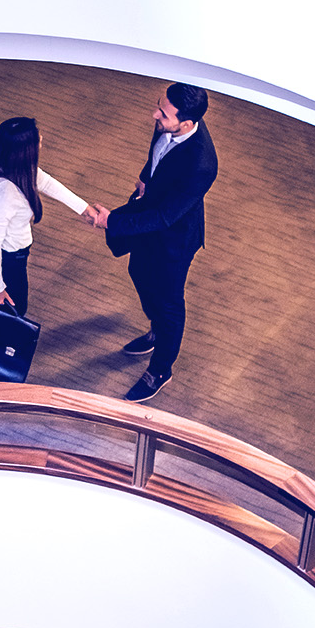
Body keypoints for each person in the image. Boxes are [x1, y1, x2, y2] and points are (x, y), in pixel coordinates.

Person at [92, 83, 218, 402]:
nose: (154, 115)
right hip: (149, 221)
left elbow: (165, 217)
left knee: (169, 302)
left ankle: (161, 368)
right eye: (157, 106)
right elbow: (156, 159)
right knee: (139, 273)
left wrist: (112, 221)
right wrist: (146, 179)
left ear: (186, 124)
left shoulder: (202, 163)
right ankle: (157, 330)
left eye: (162, 113)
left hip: (174, 238)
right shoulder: (166, 125)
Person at [0, 116, 97, 380]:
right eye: (37, 137)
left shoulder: (17, 168)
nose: (41, 139)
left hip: (13, 255)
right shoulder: (5, 192)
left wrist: (84, 209)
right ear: (26, 148)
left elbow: (46, 182)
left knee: (9, 309)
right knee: (11, 309)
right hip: (5, 258)